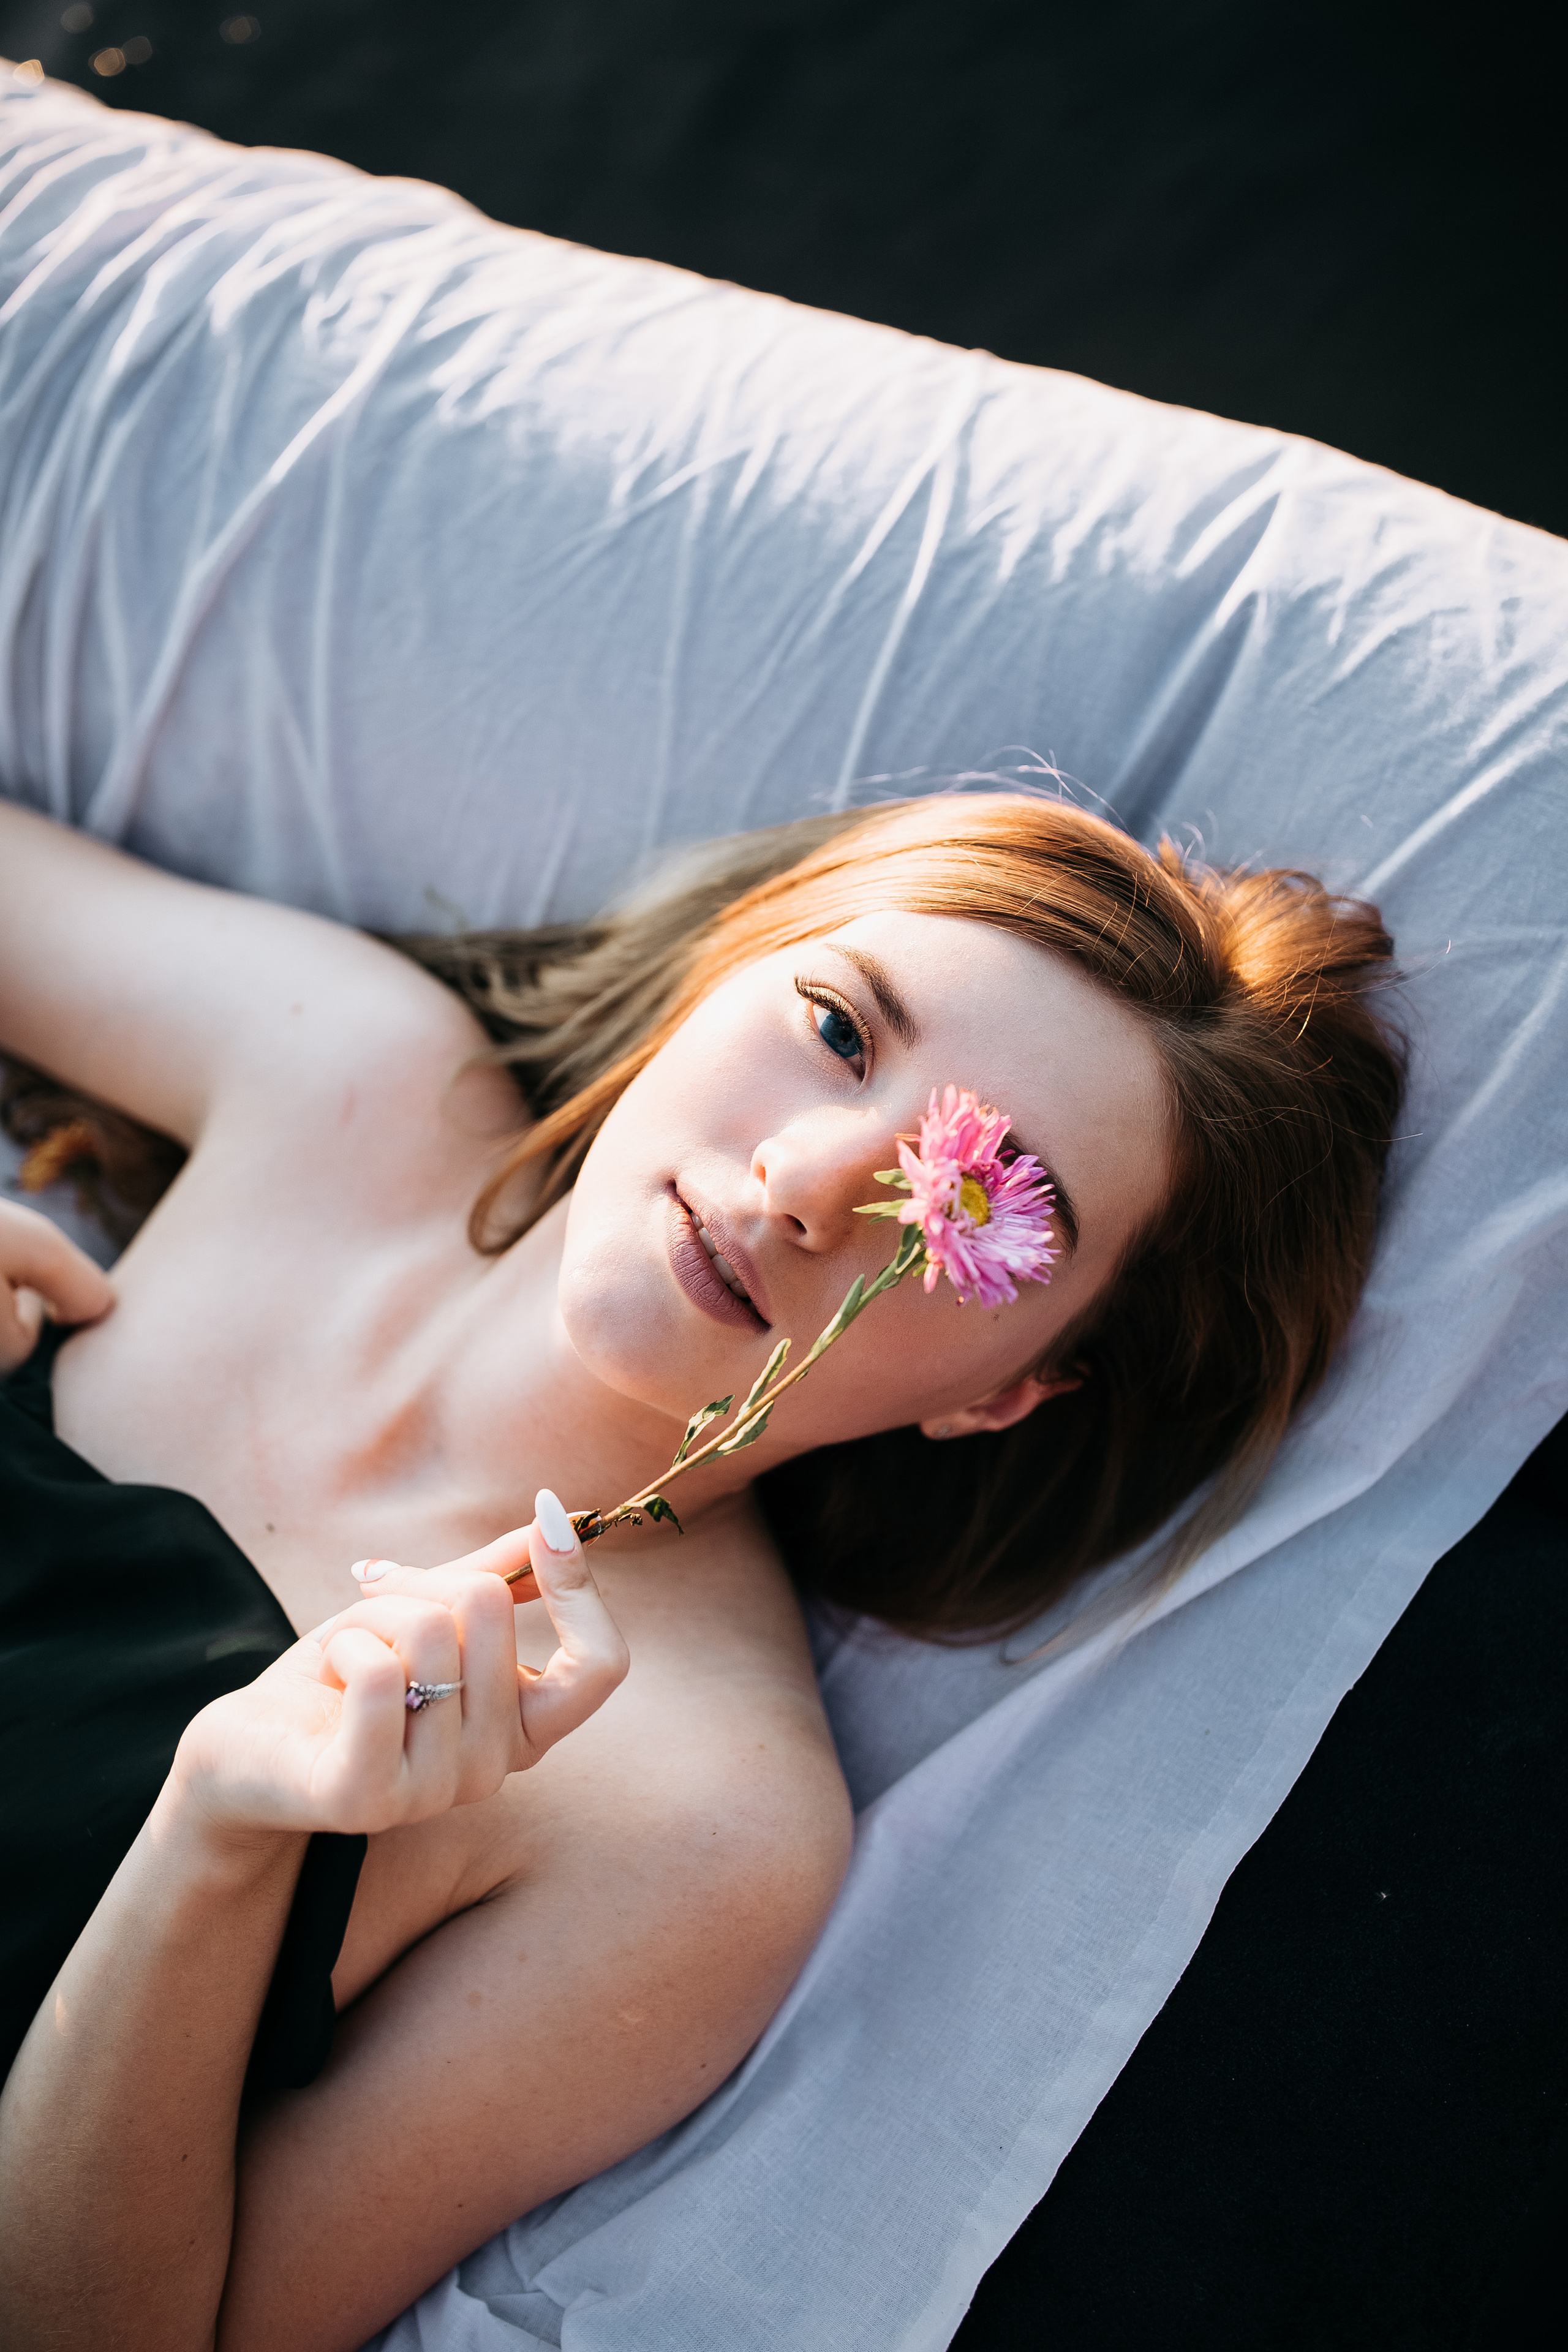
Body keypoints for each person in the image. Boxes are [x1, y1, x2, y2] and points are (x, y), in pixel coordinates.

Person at [0, 788, 1402, 2351]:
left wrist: (212, 1844)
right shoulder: (345, 1065)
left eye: (976, 1206)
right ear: (723, 968)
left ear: (1002, 1388)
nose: (812, 1180)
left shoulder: (693, 1826)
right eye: (838, 1029)